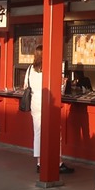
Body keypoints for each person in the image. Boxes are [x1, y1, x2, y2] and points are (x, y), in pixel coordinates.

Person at [26, 44, 74, 174]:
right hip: (49, 102)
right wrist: (63, 83)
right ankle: (58, 162)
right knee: (55, 132)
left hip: (35, 102)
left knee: (38, 132)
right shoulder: (50, 68)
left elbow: (26, 85)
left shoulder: (30, 69)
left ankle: (39, 162)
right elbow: (59, 90)